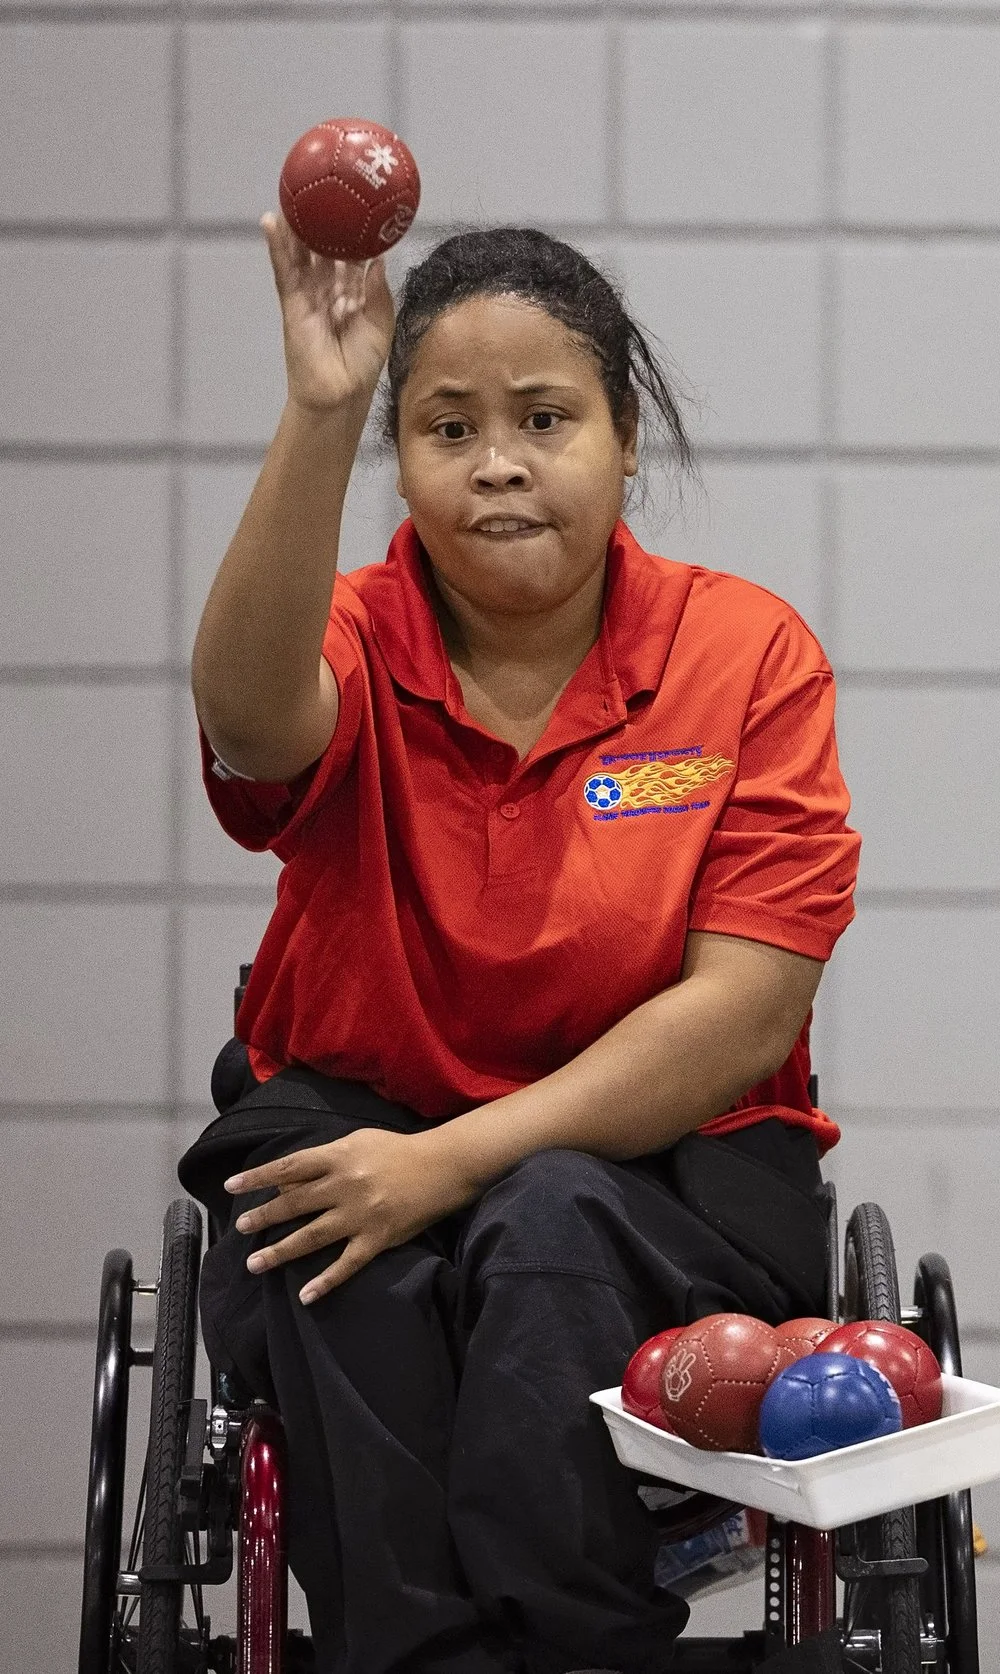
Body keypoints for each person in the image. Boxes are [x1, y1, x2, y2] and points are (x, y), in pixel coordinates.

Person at [179, 218, 859, 1673]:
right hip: (361, 1125)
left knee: (542, 1220)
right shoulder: (352, 633)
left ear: (624, 445)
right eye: (446, 426)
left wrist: (455, 1160)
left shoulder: (746, 654)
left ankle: (581, 1647)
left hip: (664, 1176)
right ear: (404, 459)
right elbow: (248, 720)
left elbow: (742, 1013)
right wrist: (321, 406)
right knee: (322, 1249)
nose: (498, 460)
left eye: (545, 419)